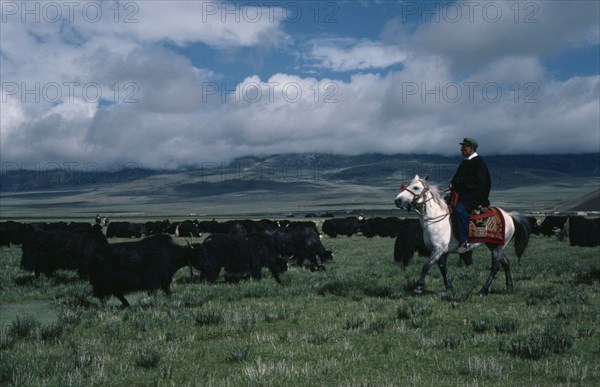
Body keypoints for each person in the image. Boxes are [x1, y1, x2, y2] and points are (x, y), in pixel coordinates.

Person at [450, 137, 491, 254]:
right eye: (461, 147)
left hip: (474, 196)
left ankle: (465, 241)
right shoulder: (464, 162)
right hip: (462, 194)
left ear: (471, 148)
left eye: (463, 147)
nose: (461, 149)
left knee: (459, 210)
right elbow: (457, 178)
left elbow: (478, 181)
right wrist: (453, 183)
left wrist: (460, 181)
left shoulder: (479, 162)